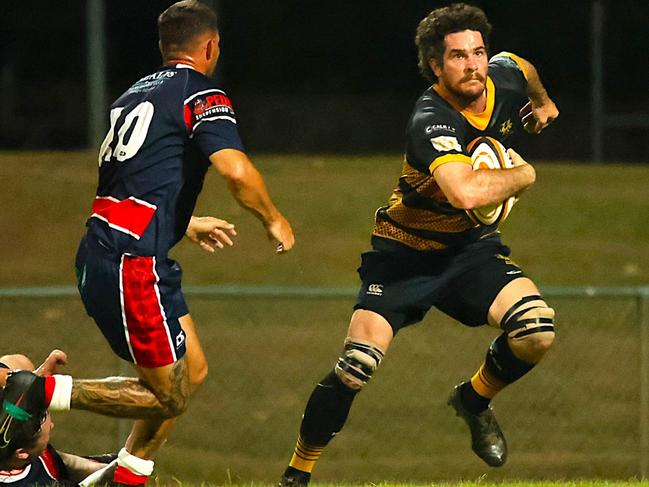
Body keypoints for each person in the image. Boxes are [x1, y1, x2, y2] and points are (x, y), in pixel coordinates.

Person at [4, 1, 295, 485]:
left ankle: (126, 477)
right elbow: (235, 170)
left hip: (113, 254)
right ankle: (39, 392)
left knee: (192, 371)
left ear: (164, 47)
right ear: (210, 46)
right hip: (132, 266)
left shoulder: (131, 96)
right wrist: (273, 218)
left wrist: (185, 222)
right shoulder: (202, 93)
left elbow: (131, 188)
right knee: (168, 396)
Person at [278, 4, 559, 485]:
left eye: (478, 52)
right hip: (403, 253)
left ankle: (473, 399)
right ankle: (296, 475)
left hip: (469, 251)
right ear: (435, 65)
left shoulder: (502, 76)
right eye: (457, 57)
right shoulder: (430, 118)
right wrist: (523, 174)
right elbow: (464, 191)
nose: (473, 65)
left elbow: (521, 66)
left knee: (536, 330)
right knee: (355, 368)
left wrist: (544, 103)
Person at [0, 351, 111, 486]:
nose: (52, 425)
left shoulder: (21, 443)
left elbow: (18, 361)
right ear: (22, 453)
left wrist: (30, 384)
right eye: (44, 415)